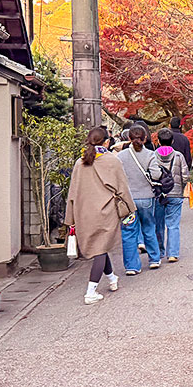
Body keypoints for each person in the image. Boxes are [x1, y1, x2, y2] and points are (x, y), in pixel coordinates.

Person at [64, 127, 136, 305]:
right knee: (100, 249)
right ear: (106, 142)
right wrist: (130, 209)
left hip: (84, 212)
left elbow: (72, 192)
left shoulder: (80, 163)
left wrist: (70, 217)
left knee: (99, 248)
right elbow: (122, 187)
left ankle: (112, 279)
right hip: (106, 211)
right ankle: (91, 291)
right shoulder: (112, 161)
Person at [117, 125, 163, 274]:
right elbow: (156, 175)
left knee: (129, 231)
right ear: (145, 138)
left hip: (128, 200)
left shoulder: (121, 156)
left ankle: (132, 266)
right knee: (149, 228)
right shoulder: (150, 154)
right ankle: (154, 259)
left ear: (129, 138)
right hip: (146, 197)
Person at [153, 128, 190, 262]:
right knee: (173, 224)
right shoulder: (178, 156)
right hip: (175, 193)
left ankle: (159, 252)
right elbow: (185, 175)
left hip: (158, 194)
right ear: (172, 141)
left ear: (157, 141)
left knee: (158, 224)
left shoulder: (153, 156)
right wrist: (182, 186)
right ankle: (173, 253)